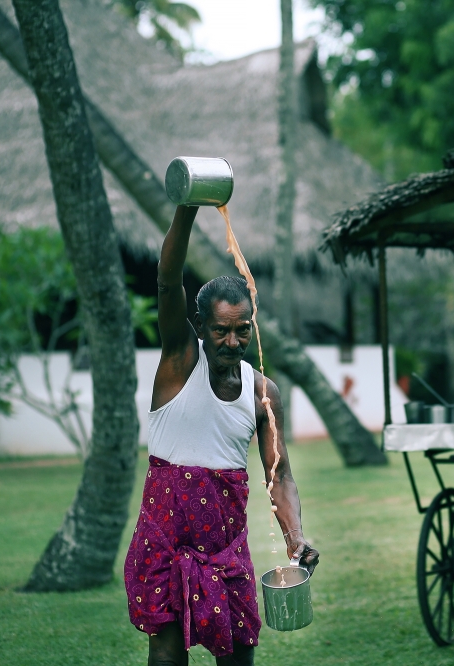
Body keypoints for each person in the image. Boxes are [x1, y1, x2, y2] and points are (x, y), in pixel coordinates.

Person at [125, 205, 319, 665]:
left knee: (239, 653)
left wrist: (295, 536)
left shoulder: (262, 394)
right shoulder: (178, 362)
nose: (232, 342)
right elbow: (167, 280)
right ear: (199, 328)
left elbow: (279, 474)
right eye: (220, 331)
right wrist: (188, 207)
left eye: (241, 330)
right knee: (168, 655)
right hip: (164, 539)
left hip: (225, 547)